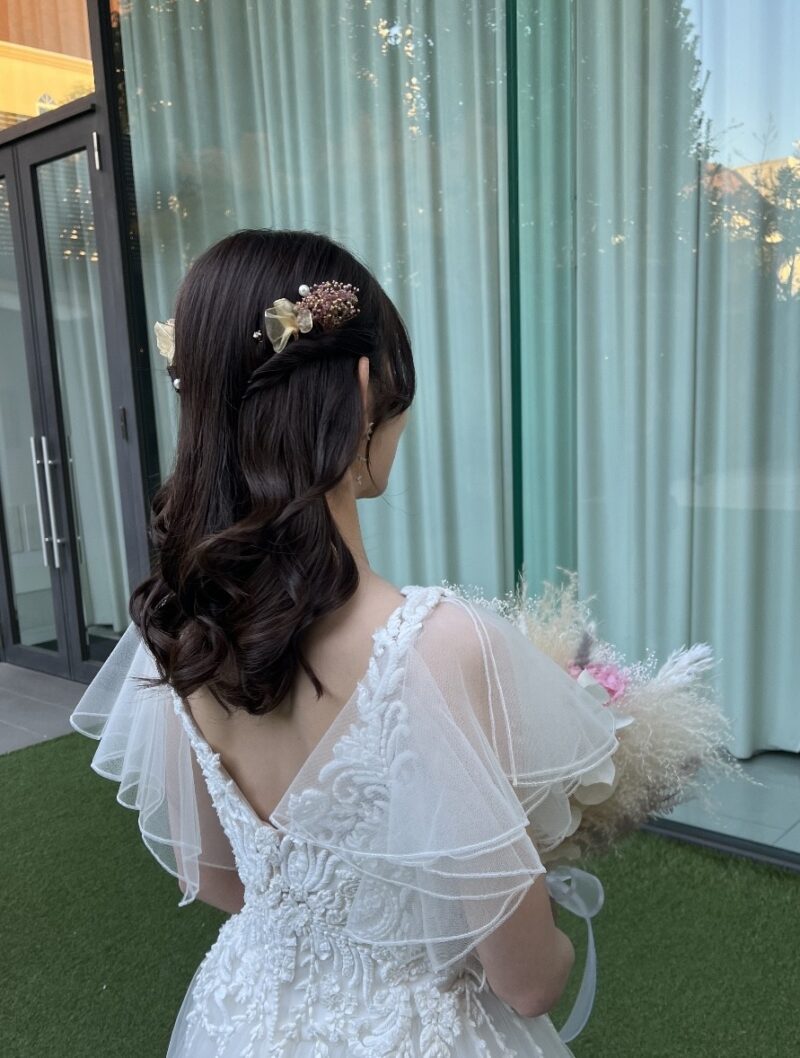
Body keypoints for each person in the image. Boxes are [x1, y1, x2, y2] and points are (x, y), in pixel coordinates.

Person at [70, 228, 619, 1057]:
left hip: (243, 1022)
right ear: (364, 387)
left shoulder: (183, 629)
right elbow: (529, 981)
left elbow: (212, 875)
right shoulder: (435, 646)